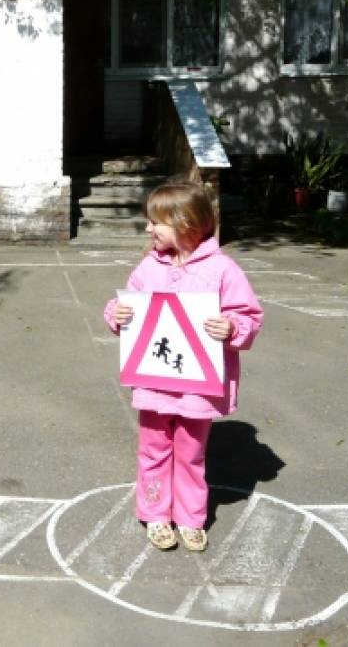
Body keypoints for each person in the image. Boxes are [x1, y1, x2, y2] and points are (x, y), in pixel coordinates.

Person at [103, 180, 263, 552]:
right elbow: (126, 307)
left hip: (197, 388)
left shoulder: (223, 269)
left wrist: (233, 326)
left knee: (191, 453)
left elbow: (248, 315)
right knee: (154, 448)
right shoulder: (148, 267)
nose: (148, 229)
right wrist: (118, 313)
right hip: (155, 382)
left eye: (155, 222)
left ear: (185, 223)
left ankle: (191, 516)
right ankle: (156, 513)